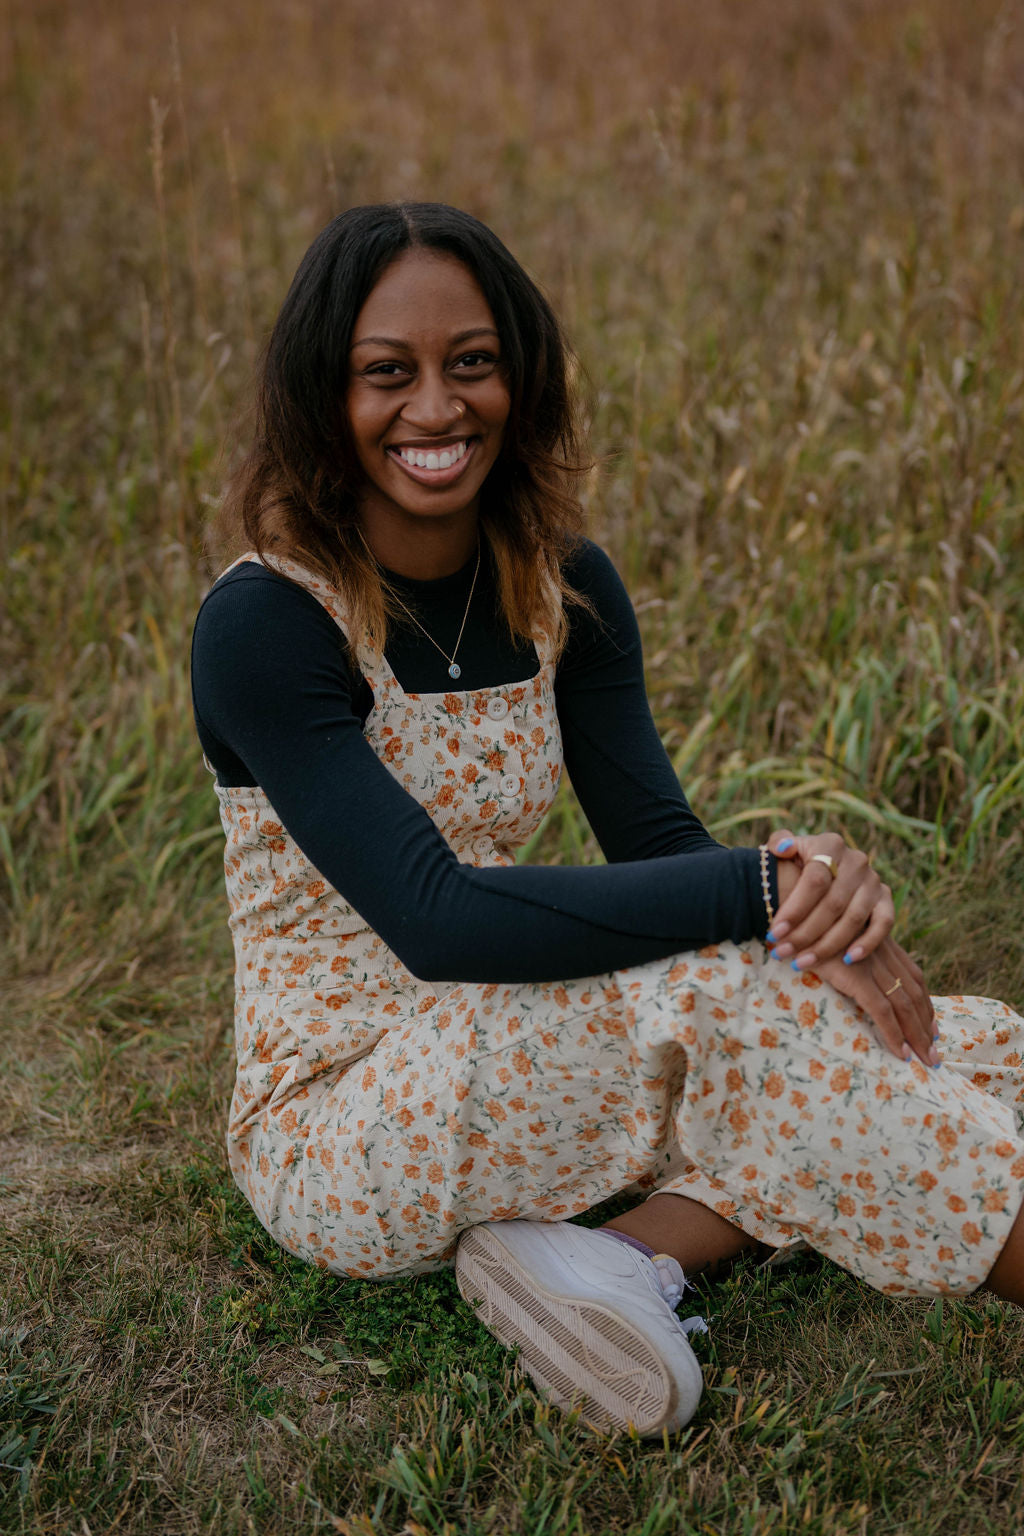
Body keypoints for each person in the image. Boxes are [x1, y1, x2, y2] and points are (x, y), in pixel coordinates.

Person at [191, 202, 1024, 1438]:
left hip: (518, 1062)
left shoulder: (563, 583)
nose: (435, 408)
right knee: (758, 1005)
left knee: (977, 1045)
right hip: (349, 1120)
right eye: (387, 374)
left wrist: (792, 918)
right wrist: (766, 892)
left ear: (518, 378)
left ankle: (619, 1257)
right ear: (325, 395)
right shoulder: (268, 623)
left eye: (470, 363)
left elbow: (660, 850)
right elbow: (435, 917)